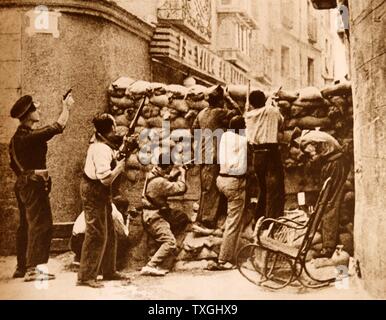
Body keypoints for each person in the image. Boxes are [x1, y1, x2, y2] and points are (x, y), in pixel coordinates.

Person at [9, 94, 73, 281]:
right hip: (33, 185)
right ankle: (32, 270)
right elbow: (57, 127)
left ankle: (22, 267)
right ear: (29, 115)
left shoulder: (17, 139)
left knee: (26, 225)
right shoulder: (28, 137)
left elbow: (13, 164)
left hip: (24, 184)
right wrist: (66, 107)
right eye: (36, 109)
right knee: (41, 224)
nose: (39, 111)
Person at [77, 113, 136, 288]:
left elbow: (115, 155)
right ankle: (85, 276)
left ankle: (109, 270)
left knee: (109, 230)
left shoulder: (104, 144)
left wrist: (127, 148)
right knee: (96, 232)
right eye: (114, 126)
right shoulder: (100, 149)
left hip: (100, 190)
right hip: (94, 189)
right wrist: (120, 167)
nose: (116, 129)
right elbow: (105, 179)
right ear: (110, 129)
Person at [292, 129, 349, 258]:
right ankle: (327, 240)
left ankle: (328, 247)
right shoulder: (314, 136)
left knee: (329, 205)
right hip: (337, 162)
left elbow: (315, 155)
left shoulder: (305, 142)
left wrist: (309, 161)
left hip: (334, 165)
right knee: (330, 203)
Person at [192, 86, 237, 228]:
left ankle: (202, 217)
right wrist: (229, 98)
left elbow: (193, 130)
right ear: (219, 101)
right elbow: (238, 114)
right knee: (212, 189)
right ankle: (208, 220)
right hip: (214, 156)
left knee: (205, 188)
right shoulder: (219, 113)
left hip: (203, 154)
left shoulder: (201, 113)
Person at [140, 153, 189, 276]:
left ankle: (156, 261)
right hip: (154, 216)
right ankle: (150, 265)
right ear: (168, 168)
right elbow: (181, 188)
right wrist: (182, 173)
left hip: (149, 214)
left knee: (179, 218)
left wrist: (175, 173)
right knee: (170, 242)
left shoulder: (152, 174)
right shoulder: (159, 182)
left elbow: (166, 180)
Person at [214, 116, 248, 270]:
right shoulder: (242, 141)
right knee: (234, 222)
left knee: (230, 217)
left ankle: (228, 253)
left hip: (221, 180)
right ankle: (224, 259)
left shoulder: (225, 137)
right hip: (234, 182)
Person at [244, 90, 285, 219]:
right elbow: (281, 122)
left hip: (257, 154)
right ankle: (271, 219)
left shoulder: (248, 115)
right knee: (275, 187)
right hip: (271, 153)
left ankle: (259, 217)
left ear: (251, 103)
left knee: (262, 188)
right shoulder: (272, 111)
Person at [69, 197, 130, 265]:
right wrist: (127, 220)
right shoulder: (115, 213)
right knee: (122, 241)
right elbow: (124, 234)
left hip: (74, 243)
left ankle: (81, 258)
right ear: (121, 208)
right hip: (86, 243)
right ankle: (106, 265)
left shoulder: (96, 205)